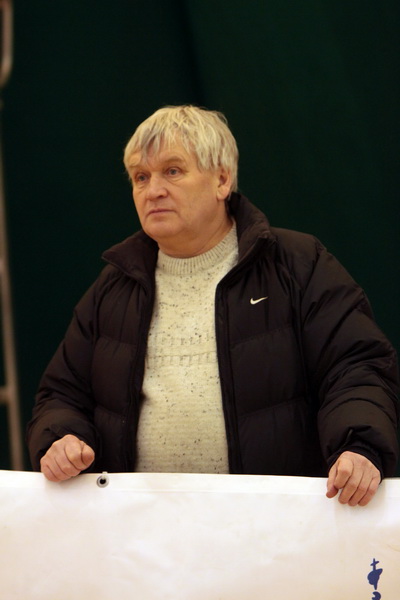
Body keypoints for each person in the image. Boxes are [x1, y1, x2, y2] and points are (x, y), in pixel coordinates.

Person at [27, 105, 399, 507]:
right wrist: (62, 437)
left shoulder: (298, 264)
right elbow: (62, 394)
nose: (153, 191)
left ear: (222, 180)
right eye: (141, 177)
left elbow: (356, 367)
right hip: (142, 531)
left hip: (275, 525)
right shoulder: (113, 287)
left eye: (172, 171)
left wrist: (359, 445)